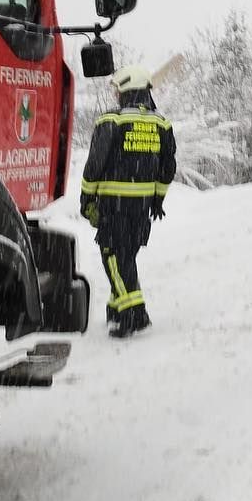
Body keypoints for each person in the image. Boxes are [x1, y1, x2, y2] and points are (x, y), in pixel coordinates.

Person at [80, 64, 177, 338]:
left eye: (118, 90)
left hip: (114, 203)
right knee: (127, 256)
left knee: (112, 254)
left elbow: (95, 164)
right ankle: (115, 306)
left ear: (126, 90)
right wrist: (157, 198)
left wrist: (86, 197)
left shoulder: (112, 120)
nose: (115, 96)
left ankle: (133, 313)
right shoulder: (161, 123)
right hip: (142, 207)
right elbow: (168, 166)